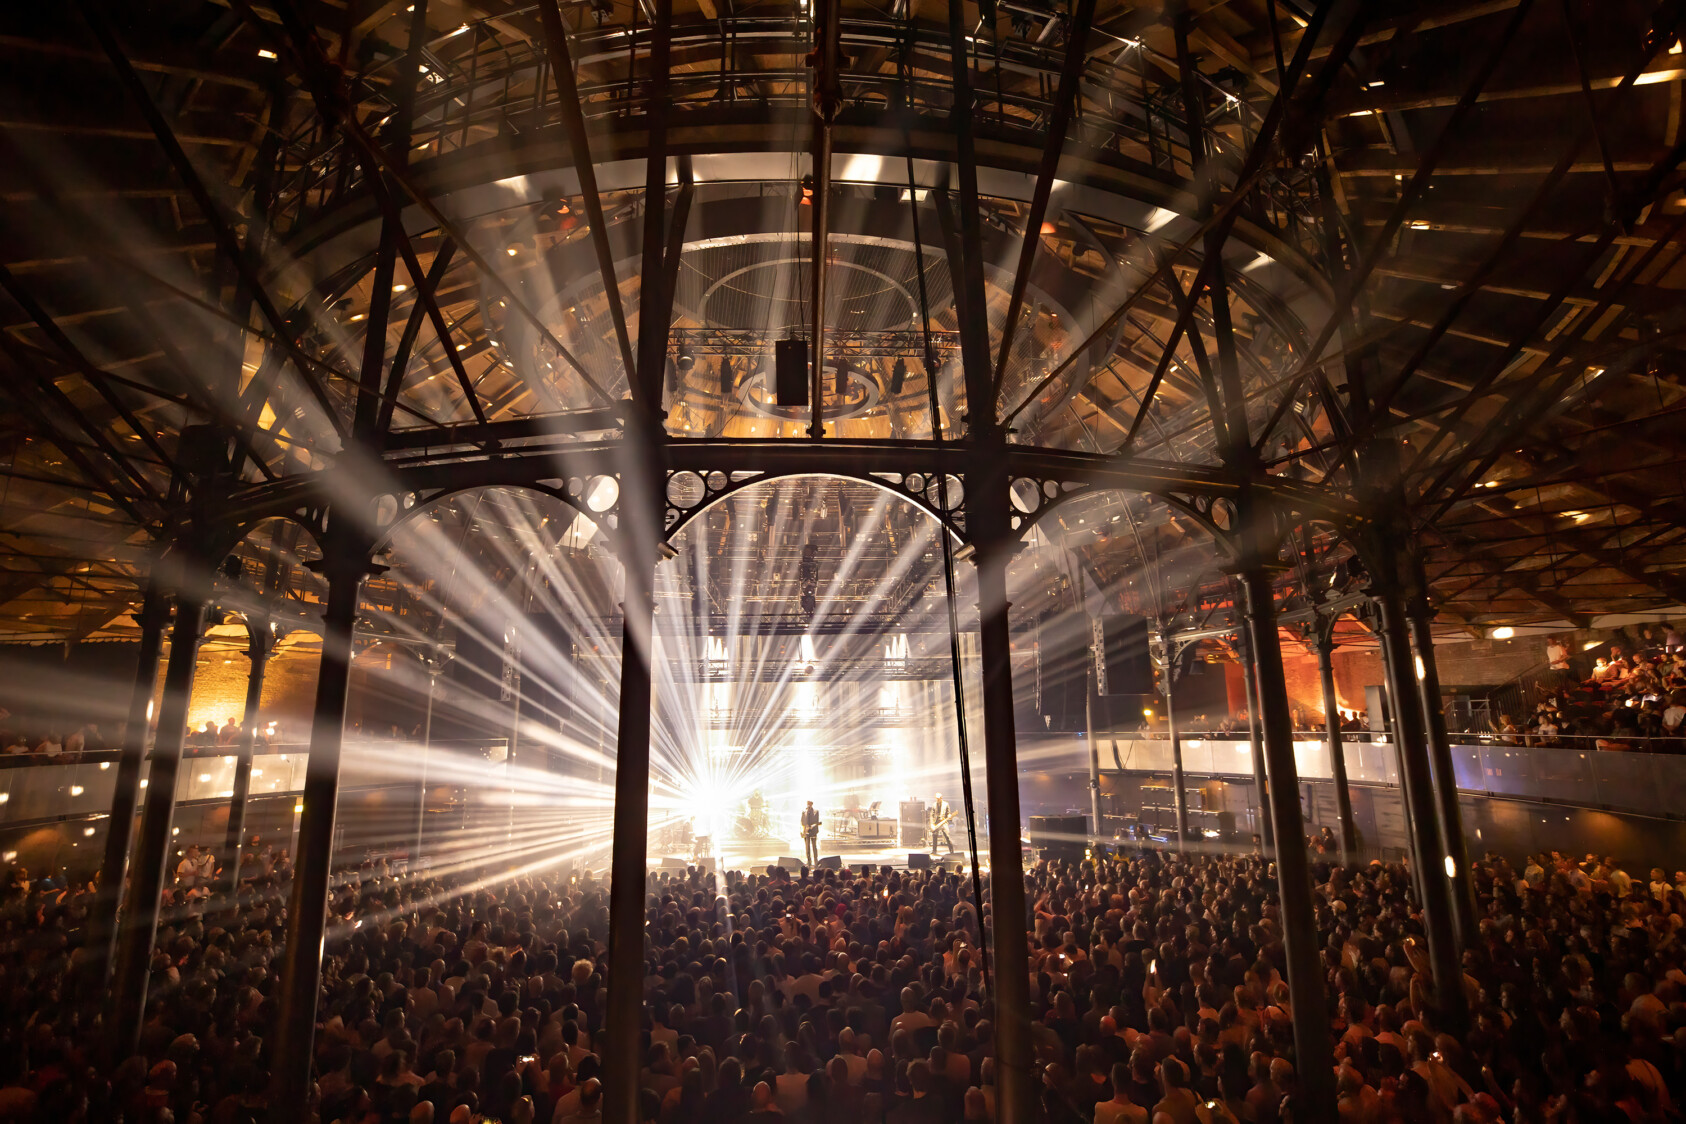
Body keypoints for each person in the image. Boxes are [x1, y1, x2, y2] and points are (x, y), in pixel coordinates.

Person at [801, 800, 821, 867]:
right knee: (807, 847)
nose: (808, 805)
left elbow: (817, 821)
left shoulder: (816, 812)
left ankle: (816, 861)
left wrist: (812, 826)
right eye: (807, 804)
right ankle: (809, 861)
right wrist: (803, 830)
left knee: (814, 846)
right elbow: (802, 822)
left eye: (810, 804)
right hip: (806, 831)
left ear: (812, 804)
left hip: (813, 831)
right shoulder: (804, 812)